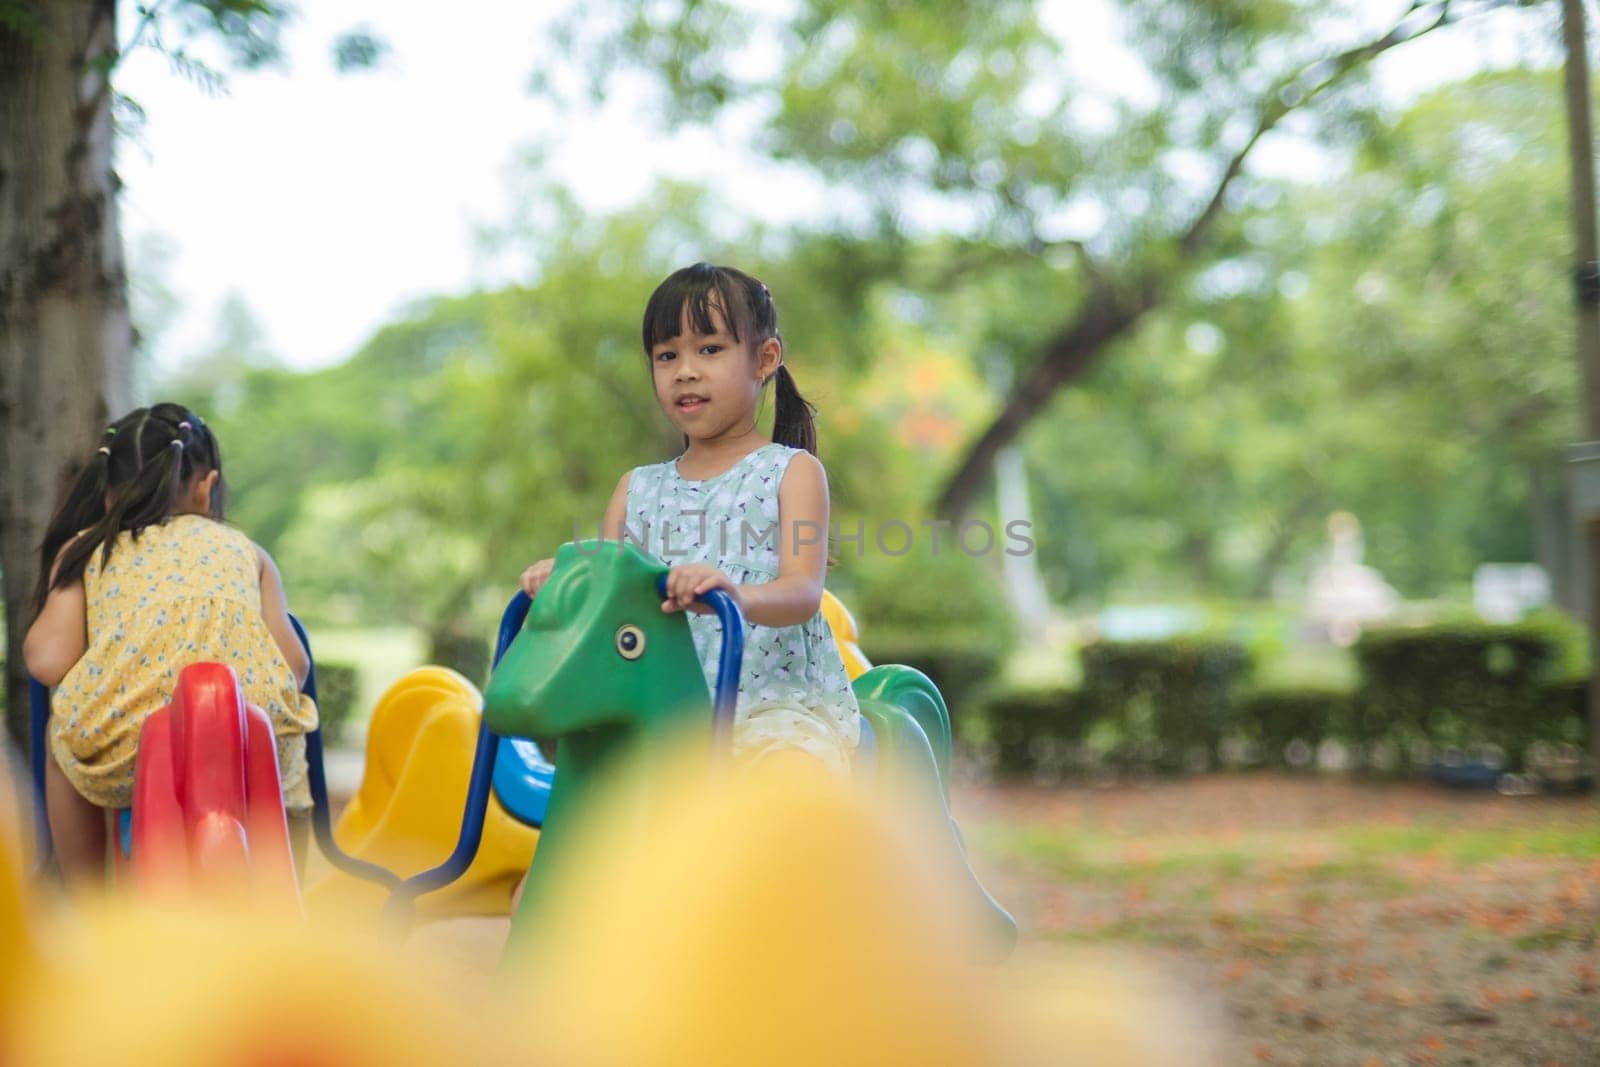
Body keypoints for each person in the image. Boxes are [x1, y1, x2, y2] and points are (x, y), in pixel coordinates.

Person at [520, 262, 861, 773]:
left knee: (789, 778)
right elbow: (607, 593)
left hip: (766, 711)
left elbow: (801, 593)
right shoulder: (637, 488)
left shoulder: (791, 472)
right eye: (666, 355)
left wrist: (734, 595)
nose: (685, 369)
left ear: (764, 359)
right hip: (659, 714)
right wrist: (568, 580)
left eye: (709, 349)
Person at [23, 403, 318, 886]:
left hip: (125, 748)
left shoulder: (88, 549)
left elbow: (49, 662)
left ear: (107, 492)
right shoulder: (248, 552)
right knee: (288, 748)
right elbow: (295, 665)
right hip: (249, 746)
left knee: (63, 738)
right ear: (206, 486)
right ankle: (285, 874)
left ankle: (89, 900)